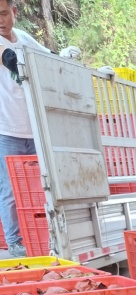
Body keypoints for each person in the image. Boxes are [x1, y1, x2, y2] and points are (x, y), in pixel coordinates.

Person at [0, 0, 47, 257]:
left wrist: (65, 58)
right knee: (9, 189)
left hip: (35, 130)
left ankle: (43, 237)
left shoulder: (25, 38)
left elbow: (47, 56)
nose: (0, 20)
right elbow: (5, 56)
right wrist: (13, 59)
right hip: (6, 131)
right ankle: (15, 242)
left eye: (4, 13)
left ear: (14, 13)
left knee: (42, 186)